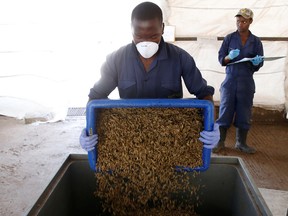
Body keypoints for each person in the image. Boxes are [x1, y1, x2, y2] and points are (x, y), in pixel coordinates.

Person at [80, 1, 219, 151]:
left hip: (170, 137)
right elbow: (95, 96)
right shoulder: (116, 59)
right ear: (131, 30)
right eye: (139, 36)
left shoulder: (180, 58)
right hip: (129, 137)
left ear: (163, 29)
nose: (145, 42)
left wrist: (211, 124)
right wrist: (89, 128)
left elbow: (204, 94)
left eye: (153, 36)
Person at [213, 8, 264, 154]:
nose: (240, 24)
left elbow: (260, 62)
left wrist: (257, 62)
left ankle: (241, 143)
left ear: (250, 22)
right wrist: (229, 57)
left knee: (244, 112)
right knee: (225, 111)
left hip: (246, 81)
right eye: (238, 21)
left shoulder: (256, 41)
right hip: (230, 80)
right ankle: (220, 141)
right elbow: (221, 58)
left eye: (244, 21)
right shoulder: (229, 38)